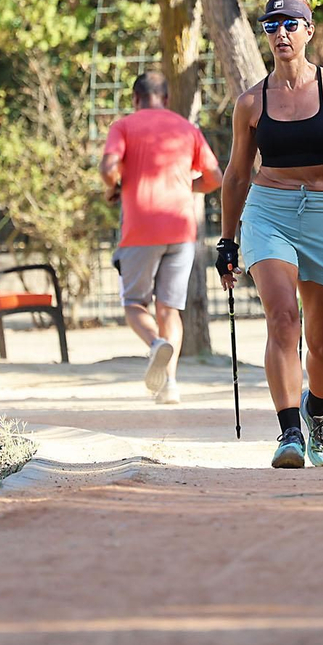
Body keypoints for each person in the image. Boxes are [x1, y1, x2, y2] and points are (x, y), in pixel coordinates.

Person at [216, 0, 323, 469]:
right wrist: (227, 241)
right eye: (272, 26)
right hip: (268, 211)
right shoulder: (251, 102)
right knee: (283, 318)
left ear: (310, 30)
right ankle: (290, 430)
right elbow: (235, 175)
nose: (281, 33)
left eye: (291, 24)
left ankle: (318, 414)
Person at [100, 70, 223, 404]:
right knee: (170, 308)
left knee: (134, 303)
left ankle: (156, 344)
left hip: (141, 228)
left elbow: (108, 166)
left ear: (136, 99)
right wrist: (189, 186)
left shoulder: (123, 127)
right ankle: (170, 386)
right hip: (182, 229)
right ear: (166, 99)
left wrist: (113, 188)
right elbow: (214, 177)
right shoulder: (187, 129)